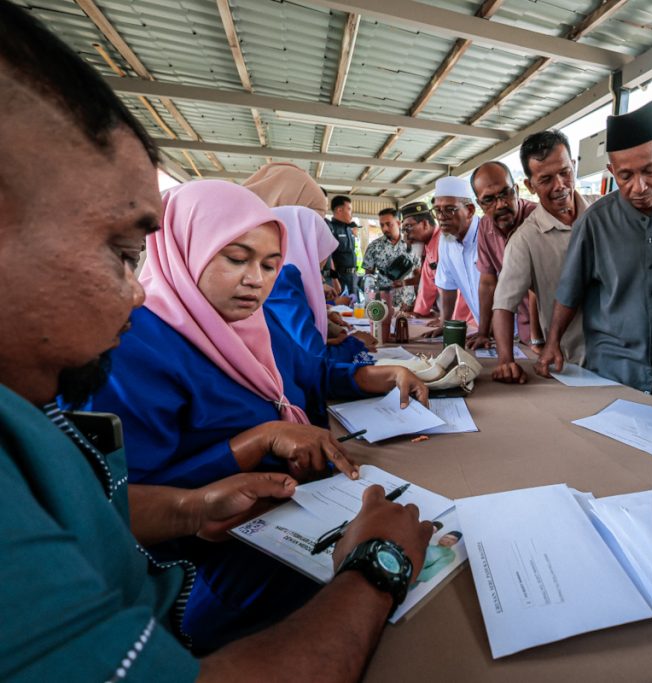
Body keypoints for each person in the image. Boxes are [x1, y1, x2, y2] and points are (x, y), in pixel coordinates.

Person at [0, 3, 431, 680]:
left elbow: (99, 500)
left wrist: (192, 506)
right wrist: (373, 569)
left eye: (272, 264)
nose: (136, 291)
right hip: (223, 580)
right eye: (120, 251)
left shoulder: (37, 406)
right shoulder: (130, 347)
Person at [88, 179, 428, 650]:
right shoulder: (134, 347)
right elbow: (115, 499)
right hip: (203, 565)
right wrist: (254, 445)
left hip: (289, 513)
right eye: (236, 258)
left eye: (271, 265)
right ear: (186, 246)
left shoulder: (255, 322)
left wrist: (379, 375)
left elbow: (309, 371)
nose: (257, 279)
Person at [537, 101, 652, 402]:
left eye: (650, 171)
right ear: (611, 170)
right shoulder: (594, 222)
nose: (639, 186)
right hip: (613, 371)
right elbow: (570, 290)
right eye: (625, 176)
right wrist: (552, 342)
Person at [491, 130, 588, 384]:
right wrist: (505, 361)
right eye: (545, 179)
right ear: (530, 186)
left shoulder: (603, 217)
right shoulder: (525, 240)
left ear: (574, 166)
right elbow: (503, 304)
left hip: (625, 359)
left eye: (565, 172)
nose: (560, 186)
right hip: (574, 365)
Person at [264, 205, 376, 364]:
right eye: (322, 250)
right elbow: (315, 359)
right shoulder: (284, 281)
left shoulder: (281, 277)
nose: (324, 261)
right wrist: (355, 343)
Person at [469, 161, 539, 350]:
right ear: (479, 204)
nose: (501, 204)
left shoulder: (538, 218)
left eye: (505, 193)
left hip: (556, 333)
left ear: (516, 189)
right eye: (489, 199)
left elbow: (538, 287)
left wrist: (539, 340)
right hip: (526, 336)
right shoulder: (485, 226)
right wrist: (483, 332)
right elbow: (488, 283)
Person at [425, 176, 483, 340]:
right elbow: (447, 285)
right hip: (484, 329)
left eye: (450, 209)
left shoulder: (487, 234)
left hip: (516, 327)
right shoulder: (445, 239)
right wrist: (445, 322)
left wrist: (486, 330)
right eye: (437, 210)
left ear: (470, 210)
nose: (441, 216)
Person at [401, 200, 475, 323]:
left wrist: (448, 320)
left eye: (408, 227)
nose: (406, 235)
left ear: (425, 224)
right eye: (403, 230)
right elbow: (427, 285)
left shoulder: (447, 241)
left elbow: (461, 286)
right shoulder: (429, 246)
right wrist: (417, 314)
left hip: (469, 320)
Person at [363, 207, 419, 311]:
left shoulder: (412, 244)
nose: (385, 228)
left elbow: (418, 276)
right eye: (382, 225)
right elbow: (368, 278)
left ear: (398, 223)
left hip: (407, 304)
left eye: (389, 224)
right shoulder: (373, 247)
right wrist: (369, 302)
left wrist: (418, 303)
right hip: (383, 305)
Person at [328, 194, 362, 302]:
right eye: (349, 209)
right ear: (339, 210)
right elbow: (329, 256)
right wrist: (334, 280)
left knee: (355, 310)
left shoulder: (349, 229)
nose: (351, 213)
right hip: (339, 278)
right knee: (341, 311)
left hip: (352, 277)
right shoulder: (331, 228)